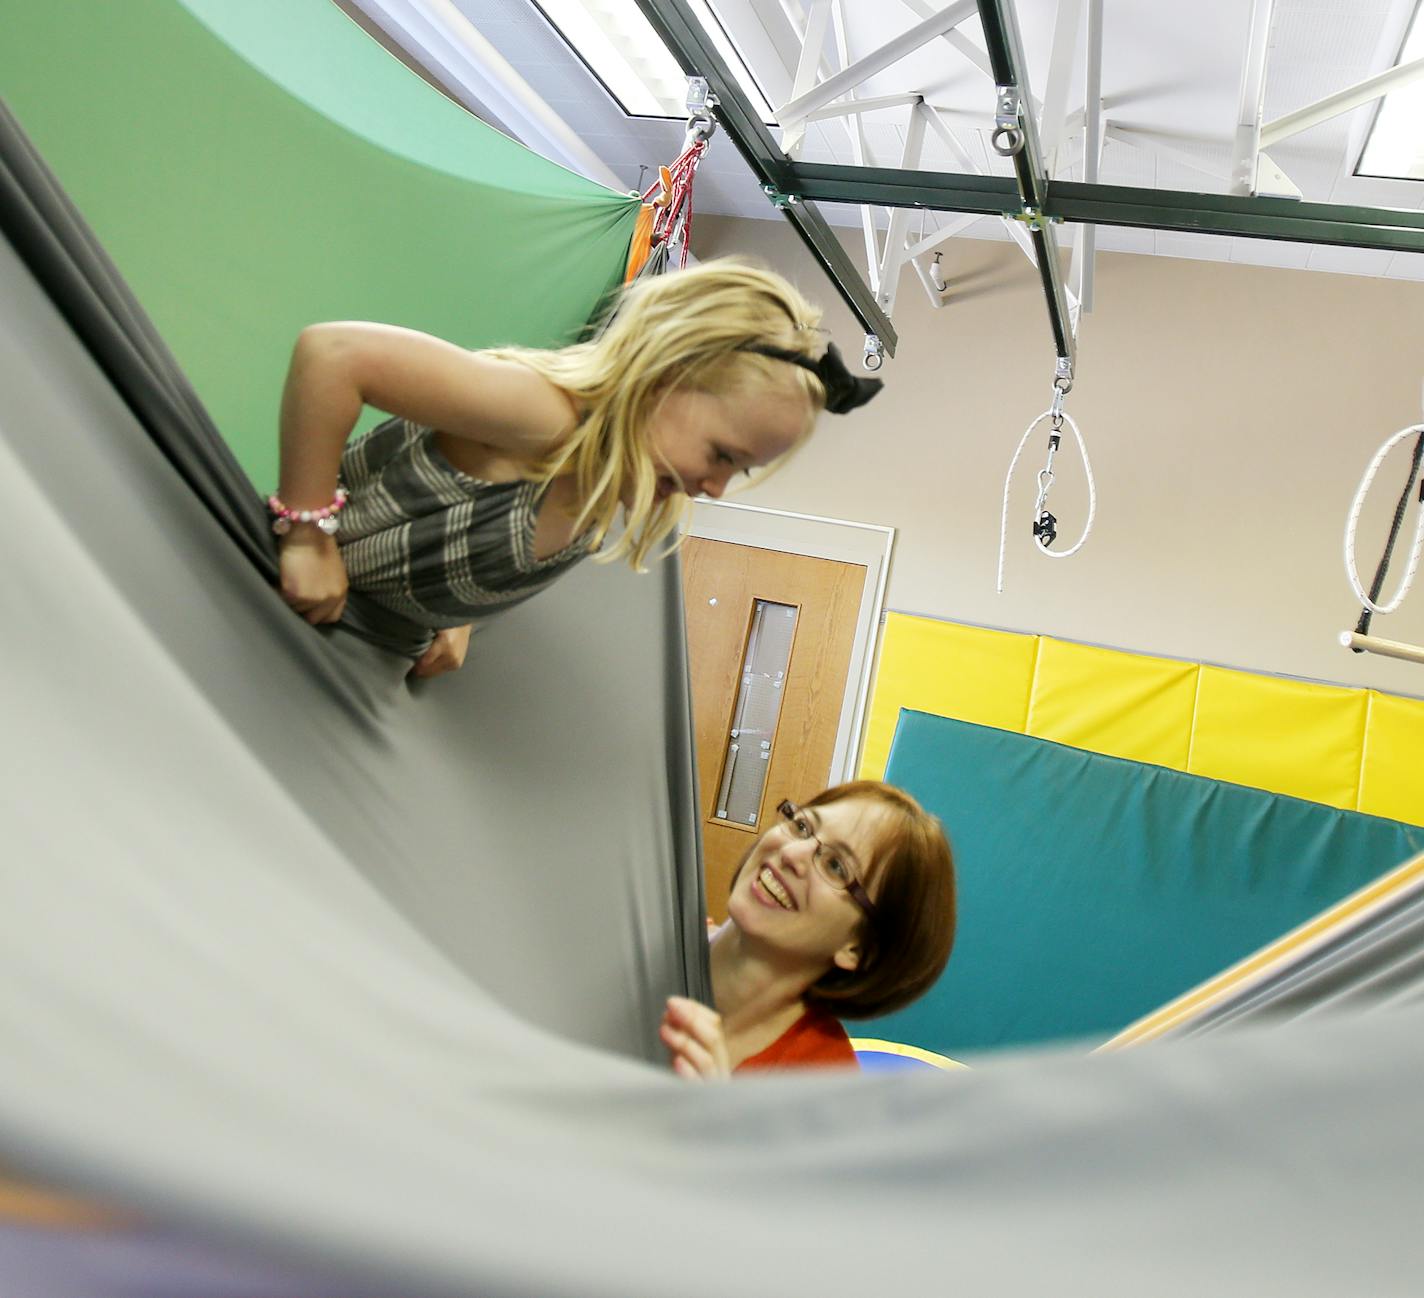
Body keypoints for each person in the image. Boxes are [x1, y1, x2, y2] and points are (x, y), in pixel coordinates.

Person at [269, 258, 883, 676]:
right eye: (722, 455)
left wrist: (452, 619)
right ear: (664, 377)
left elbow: (465, 539)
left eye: (739, 472)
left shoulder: (610, 490)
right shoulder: (544, 417)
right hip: (271, 608)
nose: (716, 488)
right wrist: (306, 534)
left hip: (338, 652)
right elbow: (332, 354)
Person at [660, 781, 956, 1078]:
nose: (792, 853)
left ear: (858, 948)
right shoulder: (651, 935)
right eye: (802, 826)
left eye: (836, 867)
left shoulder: (823, 1086)